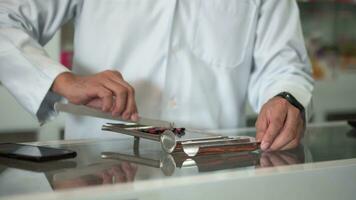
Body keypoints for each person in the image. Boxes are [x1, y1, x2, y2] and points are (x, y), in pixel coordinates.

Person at [0, 0, 313, 151]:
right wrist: (63, 80)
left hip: (212, 175)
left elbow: (284, 64)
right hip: (100, 173)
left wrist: (286, 96)